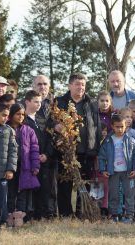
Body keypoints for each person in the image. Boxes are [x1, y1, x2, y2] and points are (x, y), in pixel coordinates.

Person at [53, 73, 101, 217]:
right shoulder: (60, 101)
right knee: (64, 185)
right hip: (65, 152)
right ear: (69, 85)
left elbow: (97, 127)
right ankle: (65, 214)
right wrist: (56, 126)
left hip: (86, 152)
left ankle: (82, 213)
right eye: (77, 84)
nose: (81, 87)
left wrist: (96, 150)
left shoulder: (91, 103)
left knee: (84, 184)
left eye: (83, 85)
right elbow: (51, 121)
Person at [98, 114, 135, 223]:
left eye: (122, 126)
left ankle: (129, 215)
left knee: (129, 194)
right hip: (113, 172)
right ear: (112, 126)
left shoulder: (131, 140)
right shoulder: (107, 141)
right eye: (117, 127)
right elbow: (102, 157)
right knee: (113, 194)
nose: (120, 129)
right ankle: (114, 215)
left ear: (126, 126)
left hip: (128, 172)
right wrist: (103, 169)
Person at [6, 104, 40, 227]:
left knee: (23, 194)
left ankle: (20, 220)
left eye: (22, 114)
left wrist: (35, 166)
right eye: (17, 114)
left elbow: (34, 149)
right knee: (10, 193)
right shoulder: (5, 128)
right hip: (9, 168)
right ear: (11, 115)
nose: (20, 117)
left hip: (24, 167)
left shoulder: (28, 130)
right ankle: (9, 218)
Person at [24, 90, 52, 220]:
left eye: (40, 102)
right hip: (29, 161)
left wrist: (46, 154)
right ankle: (29, 215)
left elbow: (48, 138)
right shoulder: (22, 119)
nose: (39, 104)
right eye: (35, 102)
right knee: (30, 190)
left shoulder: (42, 119)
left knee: (44, 188)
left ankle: (42, 214)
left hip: (43, 160)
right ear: (27, 102)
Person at [32, 75, 57, 218]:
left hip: (52, 149)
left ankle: (51, 212)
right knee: (35, 184)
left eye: (45, 84)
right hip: (34, 149)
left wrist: (49, 152)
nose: (42, 87)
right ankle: (36, 212)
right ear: (33, 86)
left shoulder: (56, 103)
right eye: (39, 84)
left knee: (51, 184)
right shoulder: (27, 102)